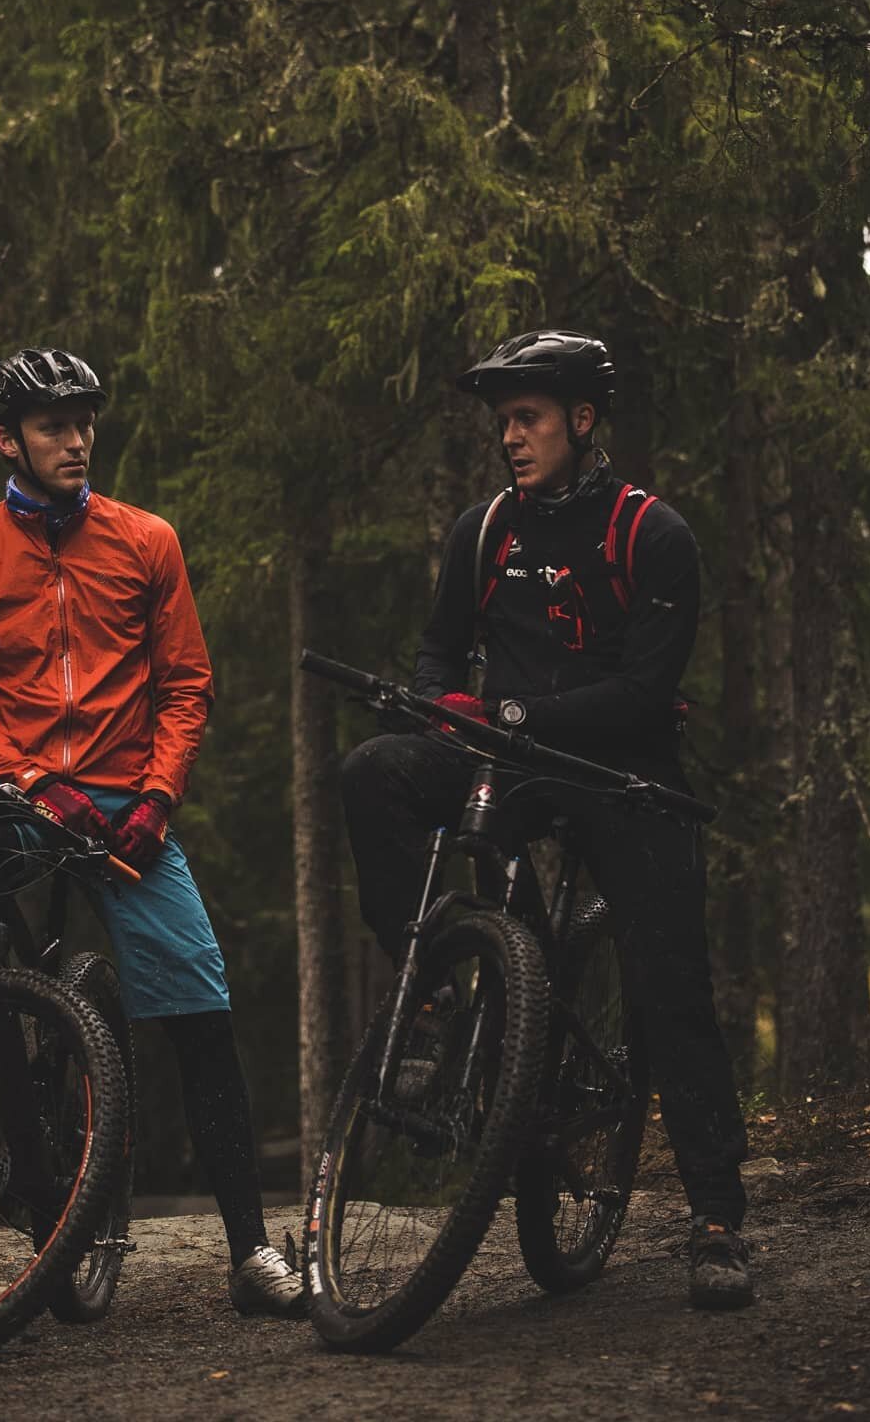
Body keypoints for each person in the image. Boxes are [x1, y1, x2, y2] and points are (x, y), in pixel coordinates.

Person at [340, 328, 753, 1311]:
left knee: (669, 985)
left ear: (582, 420)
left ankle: (717, 1218)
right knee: (373, 774)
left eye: (526, 419)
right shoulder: (484, 532)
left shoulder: (653, 533)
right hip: (507, 763)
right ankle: (441, 999)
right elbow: (441, 651)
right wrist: (438, 702)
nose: (510, 438)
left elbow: (650, 691)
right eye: (503, 422)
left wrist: (517, 713)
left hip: (624, 772)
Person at [0, 346, 304, 1318]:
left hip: (131, 809)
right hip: (17, 794)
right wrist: (36, 779)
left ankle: (252, 1253)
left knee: (203, 1016)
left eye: (85, 420)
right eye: (53, 425)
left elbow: (186, 686)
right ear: (9, 439)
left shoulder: (147, 541)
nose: (77, 439)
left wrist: (161, 799)